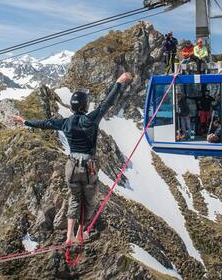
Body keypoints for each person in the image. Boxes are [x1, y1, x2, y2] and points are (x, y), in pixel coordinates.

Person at [12, 72, 133, 245]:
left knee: (74, 199)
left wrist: (25, 121)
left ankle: (69, 236)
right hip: (88, 167)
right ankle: (80, 232)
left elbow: (45, 124)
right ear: (85, 106)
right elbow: (108, 102)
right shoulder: (91, 119)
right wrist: (119, 82)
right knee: (89, 200)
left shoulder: (65, 122)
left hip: (71, 166)